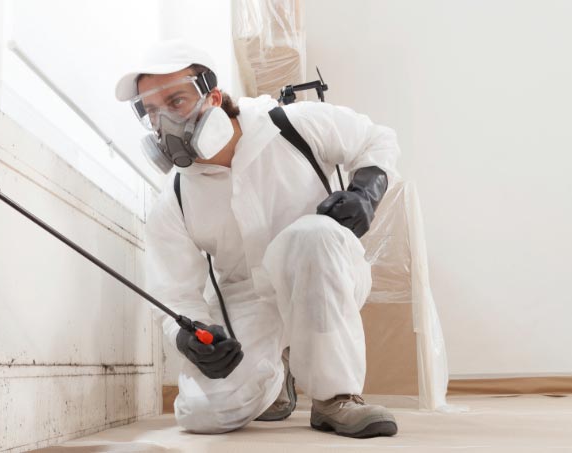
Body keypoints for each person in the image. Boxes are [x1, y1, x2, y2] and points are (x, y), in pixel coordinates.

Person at [115, 40, 400, 438]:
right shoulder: (176, 199)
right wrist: (187, 335)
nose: (164, 122)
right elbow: (176, 292)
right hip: (247, 299)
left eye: (176, 102)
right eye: (151, 112)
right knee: (200, 413)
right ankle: (275, 370)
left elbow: (377, 139)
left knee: (312, 235)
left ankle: (336, 397)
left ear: (212, 97)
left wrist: (365, 193)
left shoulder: (290, 125)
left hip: (322, 277)